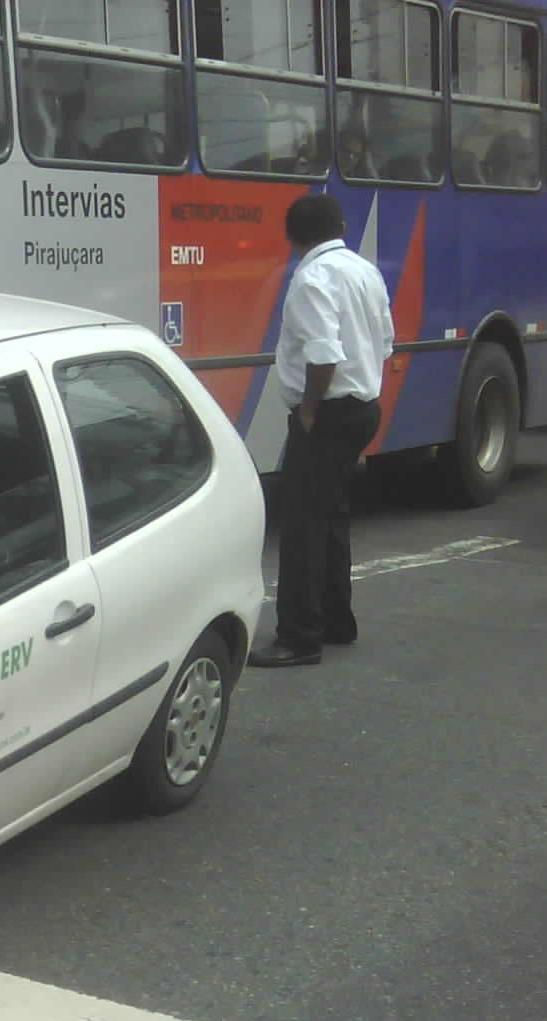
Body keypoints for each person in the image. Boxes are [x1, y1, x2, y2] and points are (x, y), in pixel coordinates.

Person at [250, 193, 395, 668]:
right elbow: (386, 342)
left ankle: (299, 637)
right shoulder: (364, 270)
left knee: (302, 527)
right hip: (362, 407)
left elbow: (323, 355)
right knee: (332, 516)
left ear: (292, 236)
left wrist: (309, 411)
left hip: (327, 413)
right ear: (340, 226)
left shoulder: (312, 279)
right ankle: (337, 620)